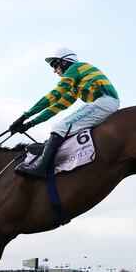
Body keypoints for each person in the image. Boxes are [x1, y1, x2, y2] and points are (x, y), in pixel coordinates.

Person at [10, 48, 120, 178]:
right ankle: (48, 148)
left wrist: (24, 116)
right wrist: (30, 124)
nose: (54, 70)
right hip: (103, 103)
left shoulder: (75, 68)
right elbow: (56, 107)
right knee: (63, 126)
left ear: (64, 62)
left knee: (60, 127)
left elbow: (54, 95)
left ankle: (41, 166)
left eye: (55, 65)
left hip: (104, 102)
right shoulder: (75, 86)